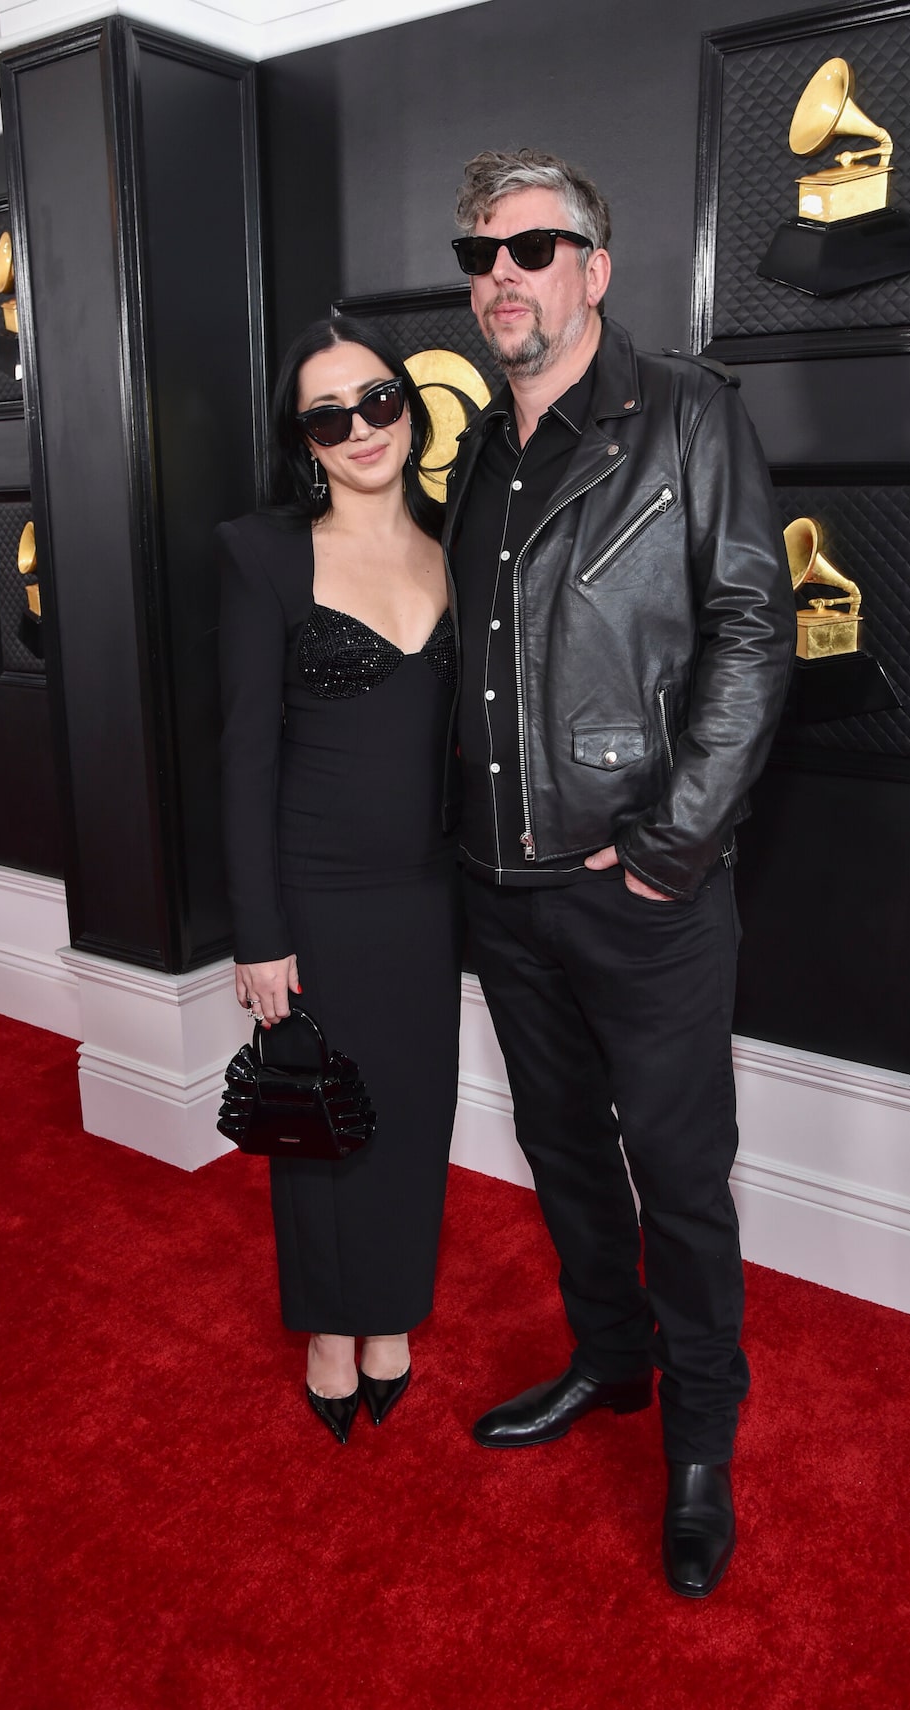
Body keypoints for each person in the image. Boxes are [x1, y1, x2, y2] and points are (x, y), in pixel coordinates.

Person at [445, 149, 795, 1595]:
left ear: (594, 265)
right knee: (560, 1147)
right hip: (500, 884)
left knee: (679, 1172)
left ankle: (701, 1439)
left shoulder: (688, 413)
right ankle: (613, 1358)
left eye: (534, 245)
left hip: (638, 888)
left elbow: (751, 631)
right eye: (479, 254)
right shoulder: (474, 444)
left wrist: (667, 849)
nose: (502, 275)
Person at [216, 317, 462, 1444]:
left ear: (406, 407)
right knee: (318, 1119)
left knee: (411, 1114)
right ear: (302, 442)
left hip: (430, 894)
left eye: (377, 401)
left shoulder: (464, 540)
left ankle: (392, 1313)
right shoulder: (263, 554)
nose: (361, 428)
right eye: (330, 416)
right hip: (311, 894)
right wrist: (258, 934)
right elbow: (242, 754)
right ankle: (328, 1325)